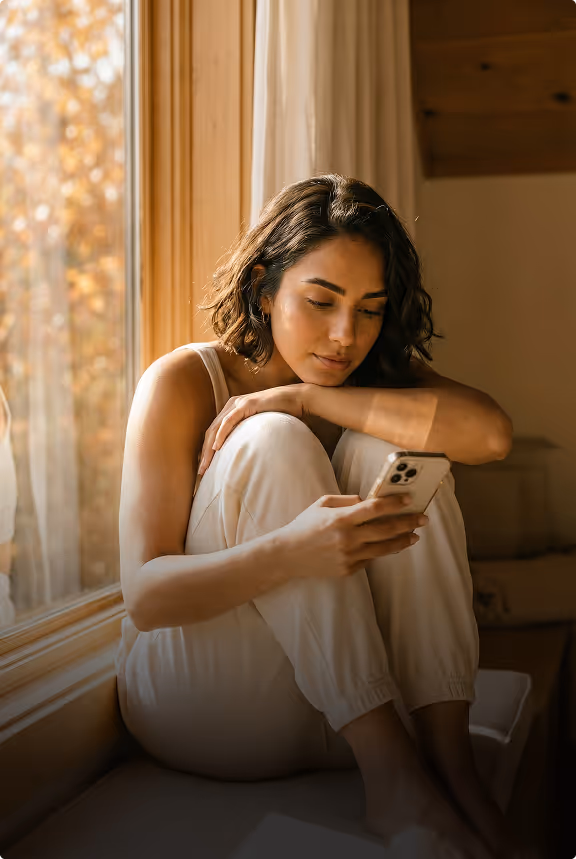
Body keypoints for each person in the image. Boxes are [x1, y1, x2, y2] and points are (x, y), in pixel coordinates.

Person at [116, 175, 530, 858]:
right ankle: (393, 775)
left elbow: (491, 436)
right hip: (205, 702)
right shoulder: (185, 380)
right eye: (321, 301)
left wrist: (308, 399)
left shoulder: (365, 378)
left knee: (400, 446)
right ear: (263, 286)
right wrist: (293, 550)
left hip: (332, 698)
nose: (346, 335)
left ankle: (450, 763)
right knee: (269, 441)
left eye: (371, 308)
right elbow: (147, 597)